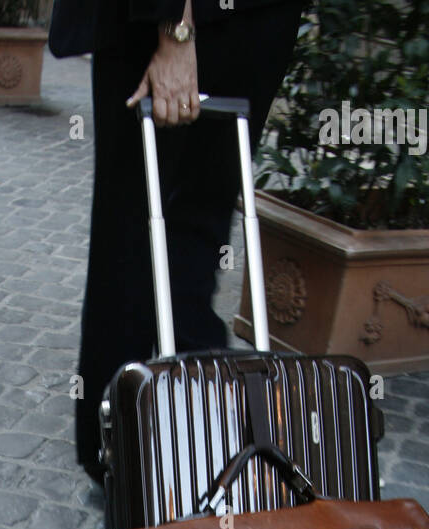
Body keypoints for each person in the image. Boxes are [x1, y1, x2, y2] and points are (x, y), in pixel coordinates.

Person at [49, 0, 304, 484]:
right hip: (170, 20)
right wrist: (174, 30)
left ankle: (197, 443)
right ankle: (118, 451)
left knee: (202, 226)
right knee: (132, 231)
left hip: (260, 17)